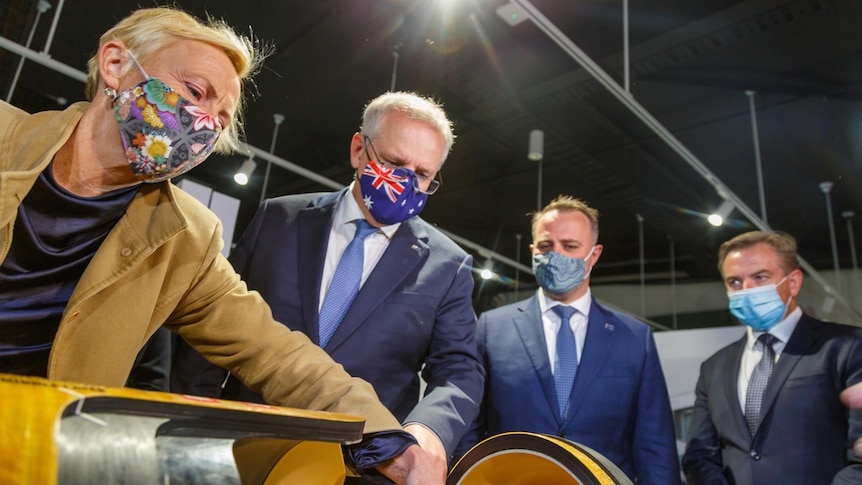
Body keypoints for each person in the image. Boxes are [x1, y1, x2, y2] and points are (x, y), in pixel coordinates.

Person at [0, 7, 447, 483]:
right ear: (115, 65)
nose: (202, 124)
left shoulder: (185, 239)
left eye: (220, 119)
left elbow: (278, 353)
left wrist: (392, 441)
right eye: (194, 92)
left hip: (34, 459)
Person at [172, 90, 484, 480]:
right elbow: (210, 327)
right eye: (393, 162)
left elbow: (458, 369)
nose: (405, 181)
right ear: (358, 150)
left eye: (422, 174)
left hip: (360, 465)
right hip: (245, 448)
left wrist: (428, 428)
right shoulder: (279, 218)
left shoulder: (448, 265)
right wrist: (189, 424)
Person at [455, 196, 680, 484]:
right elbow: (470, 427)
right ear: (533, 250)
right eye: (547, 246)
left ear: (594, 254)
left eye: (570, 246)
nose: (556, 254)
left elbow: (655, 446)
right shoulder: (492, 328)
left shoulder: (635, 339)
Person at [682, 231, 862, 484]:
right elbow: (699, 455)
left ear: (793, 282)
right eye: (734, 282)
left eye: (760, 277)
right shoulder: (714, 367)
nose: (746, 290)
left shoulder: (847, 346)